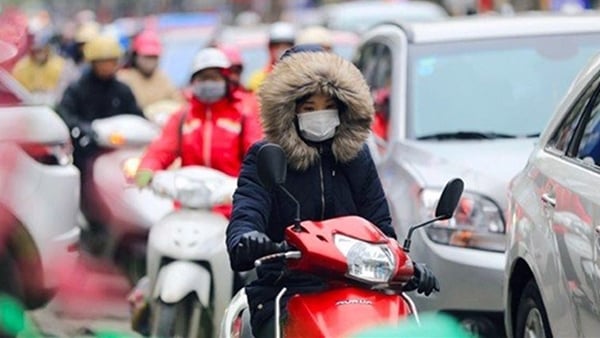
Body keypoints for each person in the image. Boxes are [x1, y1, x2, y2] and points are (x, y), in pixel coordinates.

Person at [226, 48, 440, 337]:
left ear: (343, 109)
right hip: (287, 287)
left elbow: (381, 229)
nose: (319, 115)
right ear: (288, 111)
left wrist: (407, 266)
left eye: (328, 106)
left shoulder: (357, 158)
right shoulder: (266, 156)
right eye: (308, 107)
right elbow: (247, 213)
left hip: (360, 284)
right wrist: (249, 239)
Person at [134, 47, 263, 187]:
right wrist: (147, 168)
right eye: (203, 78)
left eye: (214, 77)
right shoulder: (182, 117)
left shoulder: (243, 114)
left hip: (232, 199)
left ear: (225, 80)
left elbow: (256, 155)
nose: (208, 82)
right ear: (194, 82)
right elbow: (162, 149)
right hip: (188, 198)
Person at [57, 34, 143, 170]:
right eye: (103, 62)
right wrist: (83, 128)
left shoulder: (122, 90)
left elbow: (137, 116)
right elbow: (66, 115)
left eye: (111, 61)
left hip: (119, 150)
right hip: (87, 150)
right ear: (93, 62)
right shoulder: (77, 89)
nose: (107, 66)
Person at [117, 30, 183, 110]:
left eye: (154, 57)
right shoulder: (123, 79)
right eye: (147, 57)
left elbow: (180, 106)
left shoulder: (163, 78)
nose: (150, 62)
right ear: (135, 56)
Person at [11, 29, 77, 105]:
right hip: (29, 103)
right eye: (36, 51)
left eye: (42, 50)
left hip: (54, 102)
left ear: (47, 50)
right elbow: (17, 91)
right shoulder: (21, 67)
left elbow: (66, 88)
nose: (39, 54)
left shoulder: (61, 65)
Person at [247, 21, 295, 92]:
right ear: (269, 47)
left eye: (286, 45)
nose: (281, 49)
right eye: (277, 45)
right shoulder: (258, 79)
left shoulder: (300, 77)